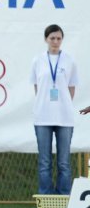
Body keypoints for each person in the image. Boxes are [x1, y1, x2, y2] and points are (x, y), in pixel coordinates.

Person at [30, 24, 79, 195]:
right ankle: (45, 196)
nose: (55, 41)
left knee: (63, 162)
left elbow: (71, 88)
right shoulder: (38, 60)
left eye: (58, 38)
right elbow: (37, 86)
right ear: (46, 39)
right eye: (52, 38)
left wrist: (62, 104)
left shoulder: (69, 60)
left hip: (64, 117)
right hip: (42, 117)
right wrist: (46, 104)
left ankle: (64, 196)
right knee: (45, 162)